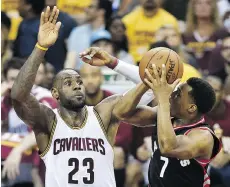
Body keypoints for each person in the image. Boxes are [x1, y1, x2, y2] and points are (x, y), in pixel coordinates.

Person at [10, 6, 151, 187]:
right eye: (68, 83)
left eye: (78, 81)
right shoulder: (48, 120)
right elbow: (18, 96)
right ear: (55, 94)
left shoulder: (103, 113)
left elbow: (149, 89)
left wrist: (113, 62)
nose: (77, 85)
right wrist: (41, 47)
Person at [81, 48, 221, 186]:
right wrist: (147, 81)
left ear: (191, 108)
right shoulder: (164, 115)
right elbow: (121, 113)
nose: (171, 94)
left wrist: (162, 98)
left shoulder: (203, 136)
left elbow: (168, 147)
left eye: (178, 94)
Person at [65, 0, 112, 70]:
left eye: (91, 7)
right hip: (80, 75)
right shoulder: (77, 32)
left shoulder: (110, 32)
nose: (86, 9)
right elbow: (70, 60)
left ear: (101, 11)